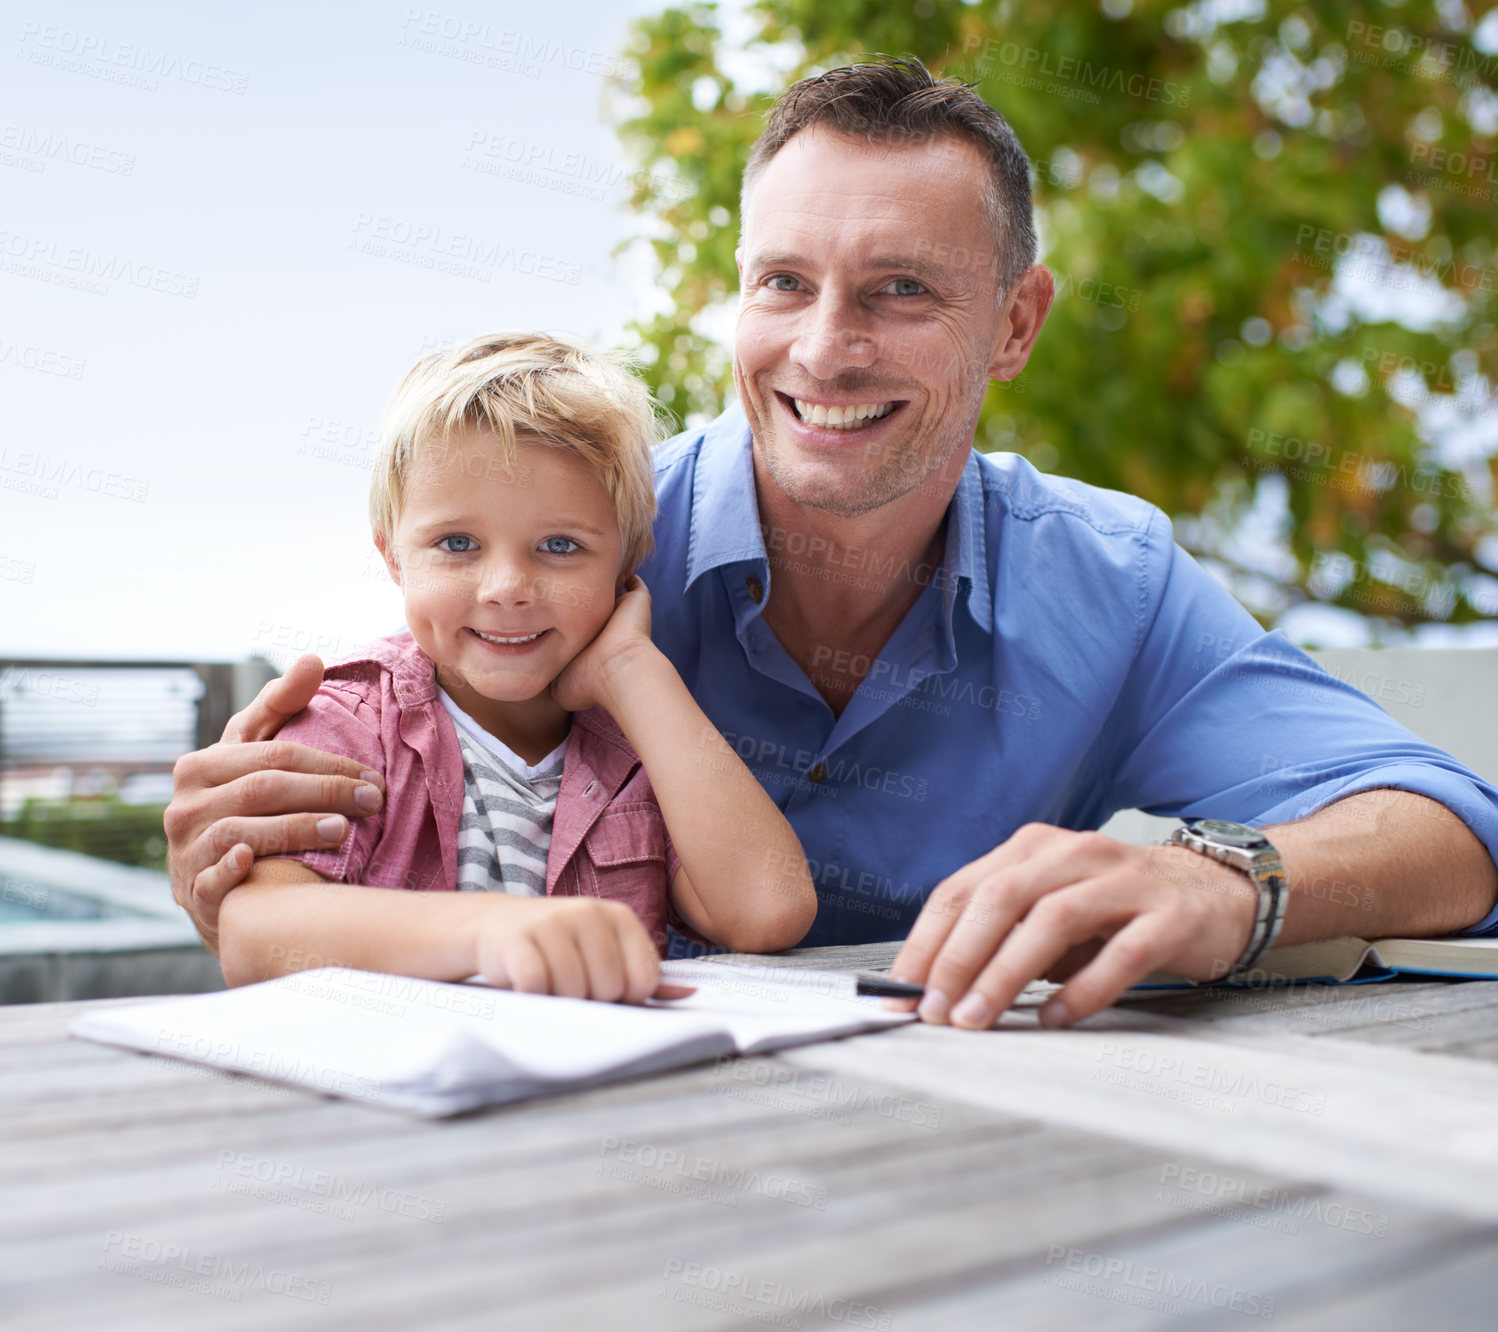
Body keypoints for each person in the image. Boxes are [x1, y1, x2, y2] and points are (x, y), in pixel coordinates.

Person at [167, 59, 1498, 1030]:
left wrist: (1226, 880)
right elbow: (354, 807)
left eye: (900, 290)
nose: (823, 349)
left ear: (1014, 325)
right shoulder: (577, 547)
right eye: (783, 283)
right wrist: (243, 854)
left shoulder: (1114, 582)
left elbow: (1456, 831)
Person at [213, 333, 816, 999]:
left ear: (627, 560)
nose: (507, 585)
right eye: (457, 543)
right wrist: (487, 930)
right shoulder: (348, 720)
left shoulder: (642, 747)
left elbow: (768, 909)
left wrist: (632, 670)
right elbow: (255, 931)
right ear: (393, 555)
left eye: (559, 545)